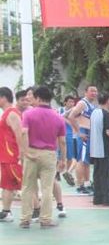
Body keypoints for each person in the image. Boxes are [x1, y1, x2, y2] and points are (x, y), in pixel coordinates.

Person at [19, 86, 66, 228]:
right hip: (49, 154)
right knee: (47, 188)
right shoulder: (58, 117)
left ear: (38, 98)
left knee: (27, 187)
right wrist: (63, 159)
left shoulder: (28, 114)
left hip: (32, 153)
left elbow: (23, 133)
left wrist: (25, 151)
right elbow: (62, 141)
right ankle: (45, 219)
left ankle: (25, 219)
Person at [89, 93, 109, 207]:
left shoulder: (94, 113)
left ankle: (98, 197)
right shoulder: (106, 114)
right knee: (107, 174)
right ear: (108, 101)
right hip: (105, 149)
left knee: (97, 174)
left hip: (95, 149)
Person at [66, 85, 98, 194]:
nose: (94, 93)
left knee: (86, 161)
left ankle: (87, 183)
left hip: (89, 133)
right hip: (83, 133)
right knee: (81, 160)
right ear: (86, 92)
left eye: (95, 91)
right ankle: (80, 185)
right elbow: (70, 116)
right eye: (92, 91)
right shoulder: (82, 103)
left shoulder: (92, 105)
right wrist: (79, 132)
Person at [0, 87, 23, 223]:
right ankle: (6, 212)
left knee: (25, 185)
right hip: (6, 158)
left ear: (3, 98)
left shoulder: (12, 114)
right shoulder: (5, 114)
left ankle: (37, 210)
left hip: (13, 157)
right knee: (7, 185)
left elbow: (19, 134)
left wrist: (20, 154)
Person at [58, 95, 78, 187]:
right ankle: (58, 171)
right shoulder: (60, 110)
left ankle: (68, 172)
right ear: (65, 102)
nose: (71, 103)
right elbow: (59, 117)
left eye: (73, 102)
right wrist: (67, 120)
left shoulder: (75, 111)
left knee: (70, 156)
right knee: (59, 155)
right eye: (69, 101)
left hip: (70, 135)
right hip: (60, 134)